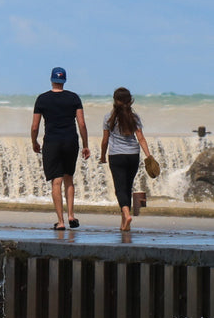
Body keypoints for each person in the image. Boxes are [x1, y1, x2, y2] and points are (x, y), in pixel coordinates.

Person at [31, 66, 90, 230]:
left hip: (52, 142)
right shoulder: (73, 98)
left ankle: (61, 222)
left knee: (56, 182)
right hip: (71, 141)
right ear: (64, 80)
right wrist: (85, 145)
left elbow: (35, 126)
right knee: (68, 178)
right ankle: (71, 215)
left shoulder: (42, 99)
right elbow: (82, 124)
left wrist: (34, 142)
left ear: (51, 79)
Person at [98, 87, 152, 232]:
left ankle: (127, 215)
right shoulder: (134, 117)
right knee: (128, 187)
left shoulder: (109, 117)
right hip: (133, 155)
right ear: (130, 100)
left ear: (115, 100)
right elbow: (140, 137)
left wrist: (103, 156)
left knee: (120, 189)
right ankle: (124, 224)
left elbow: (105, 140)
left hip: (116, 156)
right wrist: (149, 155)